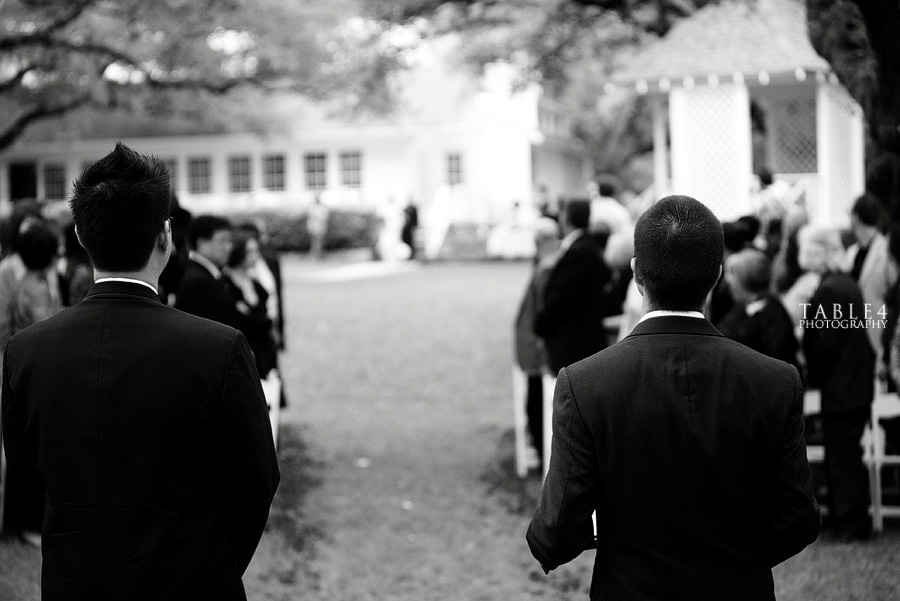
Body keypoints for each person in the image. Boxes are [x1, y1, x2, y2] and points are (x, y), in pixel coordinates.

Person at [1, 143, 279, 600]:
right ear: (166, 237)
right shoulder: (218, 347)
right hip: (191, 581)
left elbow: (31, 487)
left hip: (77, 584)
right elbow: (255, 480)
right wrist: (209, 563)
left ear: (83, 238)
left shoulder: (27, 352)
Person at [527, 195, 820, 600]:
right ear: (718, 275)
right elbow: (797, 520)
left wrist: (609, 526)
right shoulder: (774, 381)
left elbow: (555, 531)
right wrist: (736, 560)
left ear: (635, 273)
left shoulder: (586, 383)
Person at [799, 224, 875, 541]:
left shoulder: (830, 289)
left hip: (841, 386)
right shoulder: (847, 283)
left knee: (843, 457)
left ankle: (851, 523)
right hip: (855, 384)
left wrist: (811, 369)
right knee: (847, 455)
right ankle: (850, 519)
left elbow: (826, 343)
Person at [533, 199, 611, 374]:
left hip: (575, 341)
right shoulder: (589, 246)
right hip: (582, 336)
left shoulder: (579, 252)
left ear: (566, 218)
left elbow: (562, 298)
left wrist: (540, 325)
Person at [513, 217, 561, 467]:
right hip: (533, 341)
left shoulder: (547, 266)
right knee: (534, 401)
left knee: (537, 403)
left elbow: (542, 310)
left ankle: (544, 458)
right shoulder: (546, 264)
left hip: (536, 343)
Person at [717, 248, 800, 371]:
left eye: (733, 276)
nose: (730, 282)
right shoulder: (774, 306)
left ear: (741, 283)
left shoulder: (758, 323)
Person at [847, 193, 896, 374]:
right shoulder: (851, 254)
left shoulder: (886, 250)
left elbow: (893, 296)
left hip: (879, 338)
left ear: (856, 217)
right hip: (855, 342)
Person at [224, 230, 278, 380]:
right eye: (250, 251)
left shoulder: (253, 278)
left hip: (264, 347)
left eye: (256, 250)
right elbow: (245, 317)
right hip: (248, 346)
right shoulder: (228, 282)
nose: (255, 256)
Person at [174, 214, 236, 326]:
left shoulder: (207, 274)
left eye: (229, 241)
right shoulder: (198, 281)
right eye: (223, 241)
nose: (229, 247)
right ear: (202, 243)